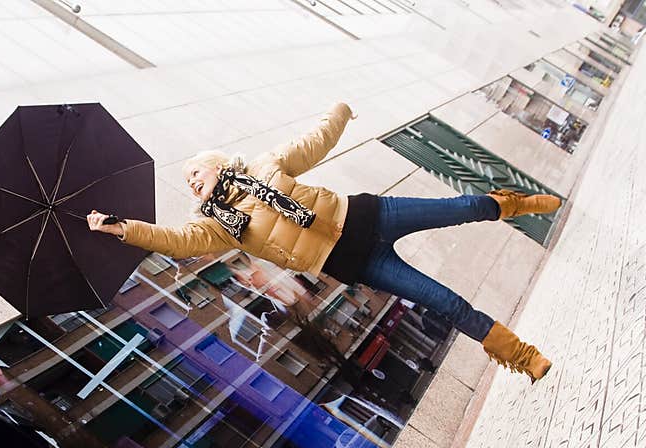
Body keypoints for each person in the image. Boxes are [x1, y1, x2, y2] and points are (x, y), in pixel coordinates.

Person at [87, 102, 557, 382]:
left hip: (372, 214)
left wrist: (341, 111)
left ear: (215, 163)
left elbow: (314, 142)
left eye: (194, 172)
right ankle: (522, 356)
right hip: (357, 263)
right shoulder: (216, 226)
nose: (191, 182)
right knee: (445, 302)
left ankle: (516, 203)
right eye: (187, 182)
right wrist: (122, 227)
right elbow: (175, 241)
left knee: (465, 209)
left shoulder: (266, 167)